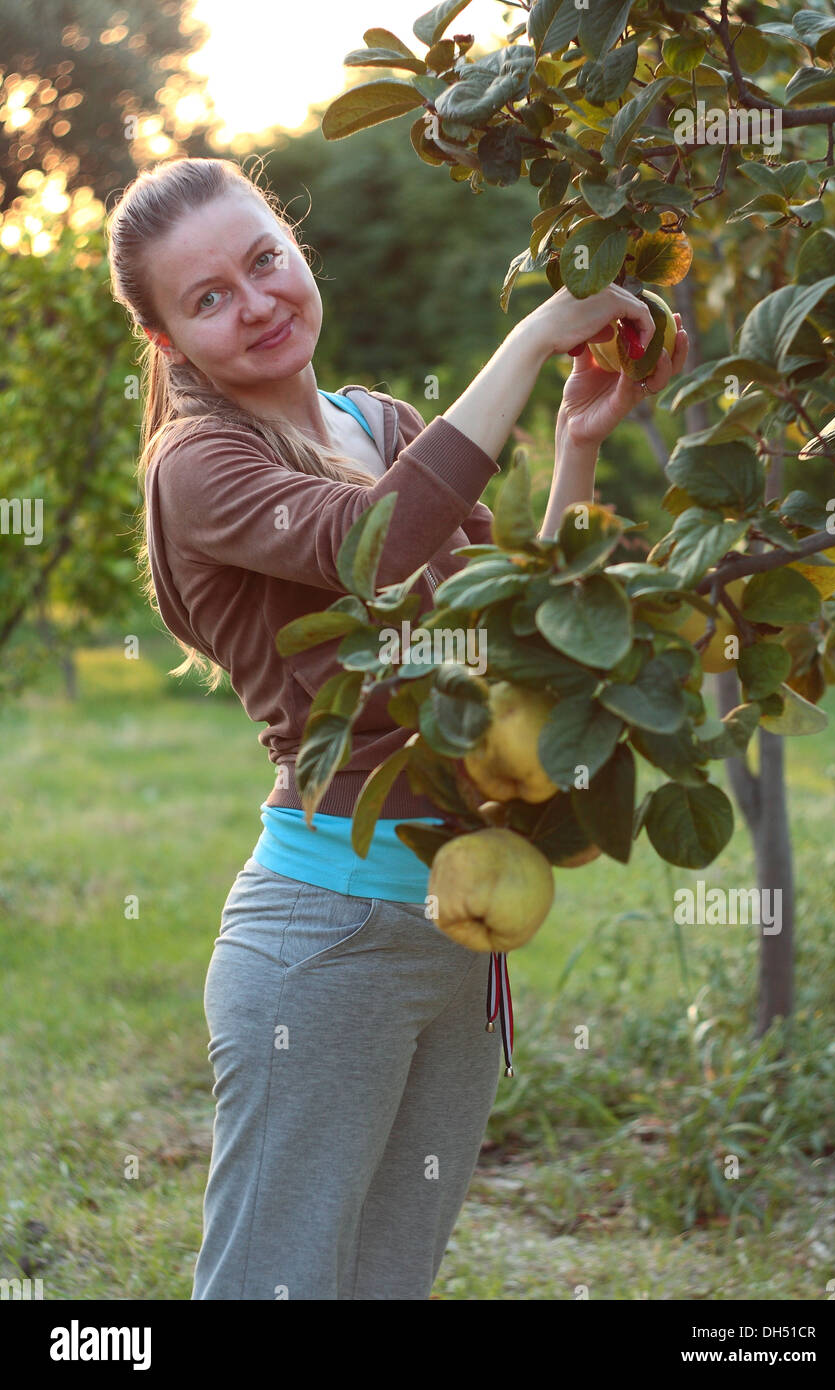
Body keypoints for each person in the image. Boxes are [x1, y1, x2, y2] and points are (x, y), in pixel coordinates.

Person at [105, 155, 688, 1301]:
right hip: (322, 940)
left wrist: (570, 444)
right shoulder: (198, 465)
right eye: (208, 297)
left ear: (298, 249)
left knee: (387, 1280)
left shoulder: (379, 419)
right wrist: (529, 344)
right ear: (168, 342)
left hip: (458, 920)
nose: (257, 300)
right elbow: (372, 544)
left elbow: (517, 640)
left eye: (263, 258)